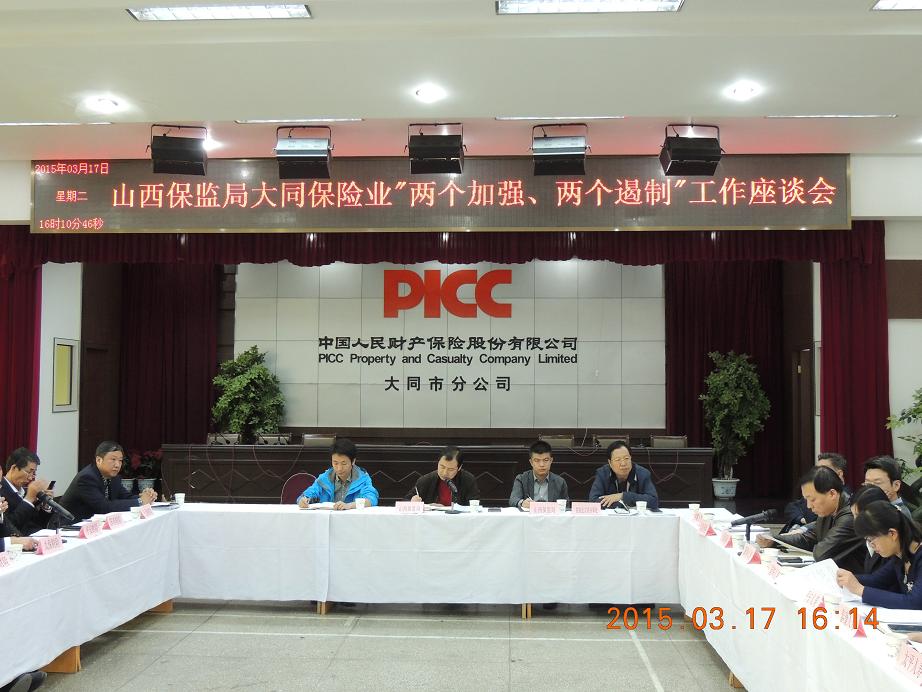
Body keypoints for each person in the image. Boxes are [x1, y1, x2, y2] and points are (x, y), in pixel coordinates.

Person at [756, 466, 864, 573]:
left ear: (832, 494)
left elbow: (822, 553)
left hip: (855, 580)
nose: (808, 506)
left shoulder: (851, 516)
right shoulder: (828, 510)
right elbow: (808, 538)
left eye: (812, 499)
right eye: (806, 500)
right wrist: (774, 540)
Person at [836, 500, 922, 610]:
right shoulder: (900, 554)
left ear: (892, 534)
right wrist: (846, 579)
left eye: (871, 539)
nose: (871, 546)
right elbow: (877, 580)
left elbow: (914, 602)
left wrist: (860, 590)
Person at [59, 441, 157, 522]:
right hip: (70, 526)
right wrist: (140, 501)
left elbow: (126, 496)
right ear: (98, 460)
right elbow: (104, 507)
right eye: (113, 459)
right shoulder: (86, 478)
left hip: (95, 524)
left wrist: (147, 497)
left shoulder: (114, 477)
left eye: (120, 460)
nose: (117, 465)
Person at [297, 438, 378, 510]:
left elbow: (371, 499)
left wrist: (349, 505)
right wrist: (304, 499)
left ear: (353, 461)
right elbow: (310, 492)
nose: (339, 468)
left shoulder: (362, 478)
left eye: (344, 463)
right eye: (335, 463)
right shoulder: (324, 478)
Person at [783, 452, 850, 530]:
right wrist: (801, 519)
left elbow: (813, 520)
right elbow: (793, 506)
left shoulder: (846, 503)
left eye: (824, 469)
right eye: (817, 469)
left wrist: (805, 526)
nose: (809, 505)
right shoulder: (817, 490)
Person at [589, 441, 658, 509]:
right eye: (618, 459)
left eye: (626, 458)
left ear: (631, 458)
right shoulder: (603, 473)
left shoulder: (643, 474)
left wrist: (623, 496)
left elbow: (653, 501)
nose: (623, 463)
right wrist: (626, 504)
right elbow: (593, 501)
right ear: (610, 462)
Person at [1, 448, 52, 535]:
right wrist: (29, 499)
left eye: (34, 473)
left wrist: (46, 505)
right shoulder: (1, 491)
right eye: (29, 472)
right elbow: (7, 528)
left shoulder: (26, 491)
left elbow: (37, 524)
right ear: (14, 468)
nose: (31, 477)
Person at [407, 446, 479, 506]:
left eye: (450, 469)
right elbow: (406, 501)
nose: (444, 473)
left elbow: (473, 507)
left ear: (459, 468)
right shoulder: (426, 480)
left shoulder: (468, 480)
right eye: (442, 467)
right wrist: (412, 501)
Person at [510, 440, 569, 510]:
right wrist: (522, 503)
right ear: (531, 462)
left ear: (551, 460)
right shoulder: (521, 479)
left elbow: (566, 506)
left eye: (546, 460)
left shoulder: (560, 482)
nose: (542, 465)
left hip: (551, 516)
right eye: (537, 460)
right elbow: (513, 500)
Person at [849, 484, 893, 575]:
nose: (855, 522)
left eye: (858, 516)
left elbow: (881, 578)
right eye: (853, 515)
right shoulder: (868, 536)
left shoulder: (888, 540)